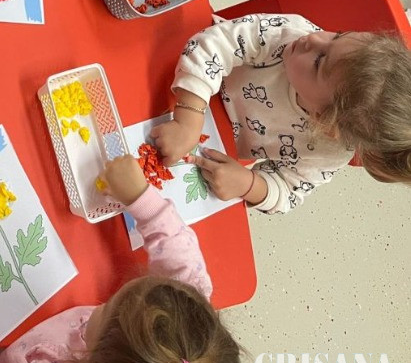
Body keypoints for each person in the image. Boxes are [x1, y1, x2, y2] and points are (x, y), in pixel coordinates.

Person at [0, 155, 241, 363]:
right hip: (37, 323)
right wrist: (142, 198)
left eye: (105, 310)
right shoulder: (189, 310)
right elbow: (178, 250)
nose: (101, 306)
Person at [152, 14, 411, 214]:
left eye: (319, 61)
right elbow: (211, 45)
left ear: (323, 121)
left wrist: (248, 185)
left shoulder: (329, 153)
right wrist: (188, 120)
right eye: (337, 36)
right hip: (179, 79)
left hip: (212, 140)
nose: (315, 38)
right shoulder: (289, 34)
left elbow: (288, 192)